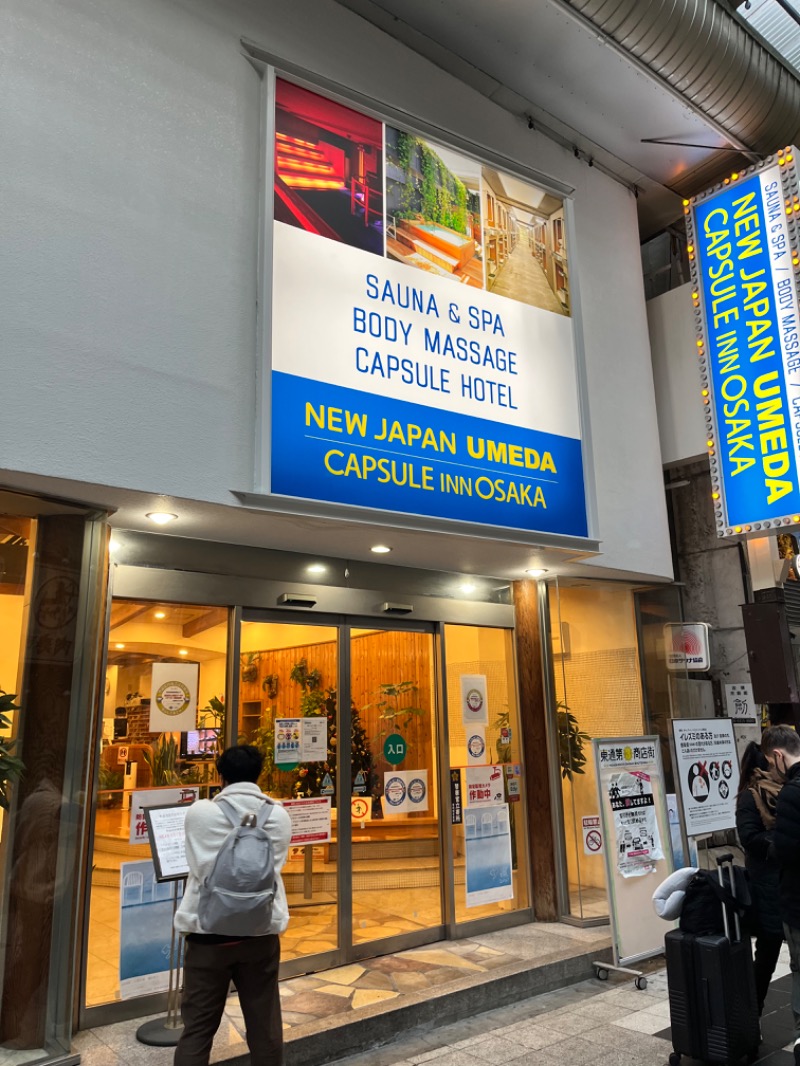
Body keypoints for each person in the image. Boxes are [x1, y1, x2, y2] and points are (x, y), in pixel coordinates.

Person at [174, 745, 292, 1066]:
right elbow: (276, 866)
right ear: (259, 774)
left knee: (198, 1029)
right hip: (260, 931)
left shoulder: (200, 812)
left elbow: (197, 866)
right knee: (264, 1027)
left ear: (220, 774)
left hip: (207, 933)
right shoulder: (279, 816)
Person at [735, 741, 784, 1015]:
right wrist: (783, 842)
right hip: (766, 885)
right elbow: (749, 838)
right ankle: (751, 1015)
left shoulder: (783, 790)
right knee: (767, 955)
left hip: (785, 882)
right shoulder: (750, 796)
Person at [762, 725, 800, 1062]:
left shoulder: (791, 793)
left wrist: (770, 846)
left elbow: (787, 850)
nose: (771, 771)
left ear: (778, 756)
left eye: (771, 764)